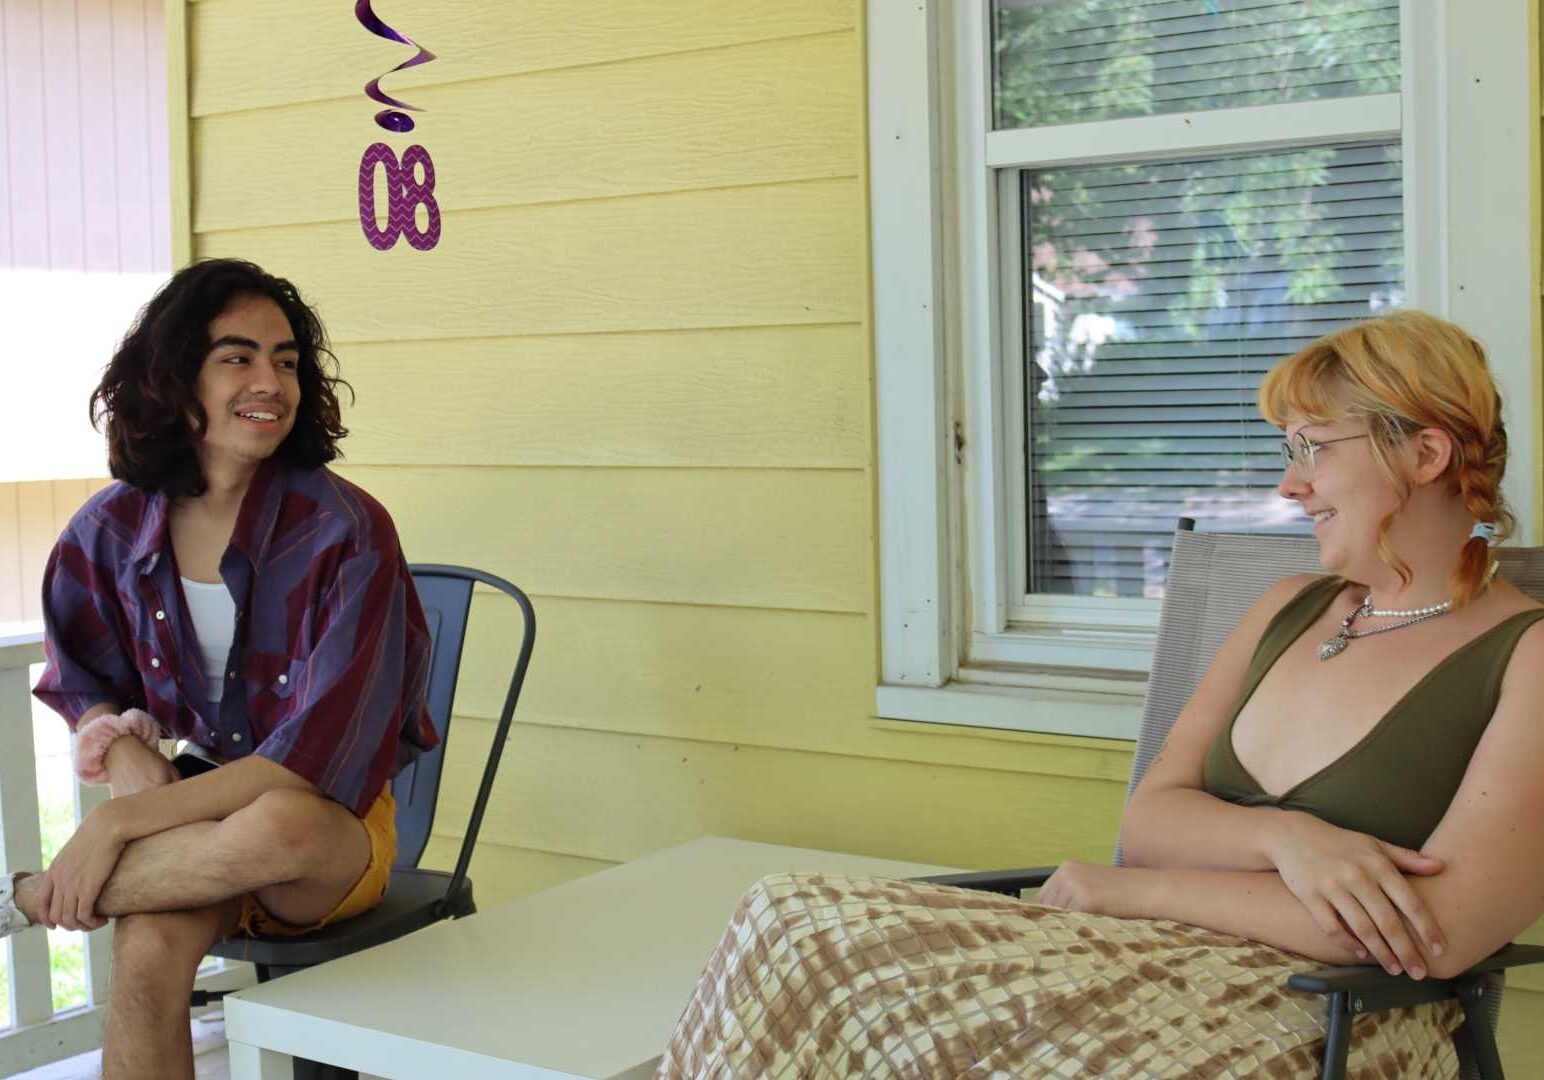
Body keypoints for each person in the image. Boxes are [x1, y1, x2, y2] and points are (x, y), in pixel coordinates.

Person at [655, 310, 1544, 1077]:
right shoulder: (1288, 608)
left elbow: (1435, 931)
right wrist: (1292, 840)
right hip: (1133, 966)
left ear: (1425, 452)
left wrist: (1132, 891)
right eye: (1288, 451)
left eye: (1313, 448)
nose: (1289, 483)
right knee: (791, 918)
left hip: (1336, 1021)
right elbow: (1148, 824)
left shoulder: (1525, 657)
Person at [0, 258, 438, 1079]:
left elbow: (314, 765)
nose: (269, 380)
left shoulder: (347, 531)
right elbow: (83, 674)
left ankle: (29, 899)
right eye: (237, 357)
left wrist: (118, 822)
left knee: (280, 819)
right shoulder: (112, 526)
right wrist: (123, 750)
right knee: (146, 955)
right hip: (194, 824)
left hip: (321, 840)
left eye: (285, 359)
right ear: (176, 379)